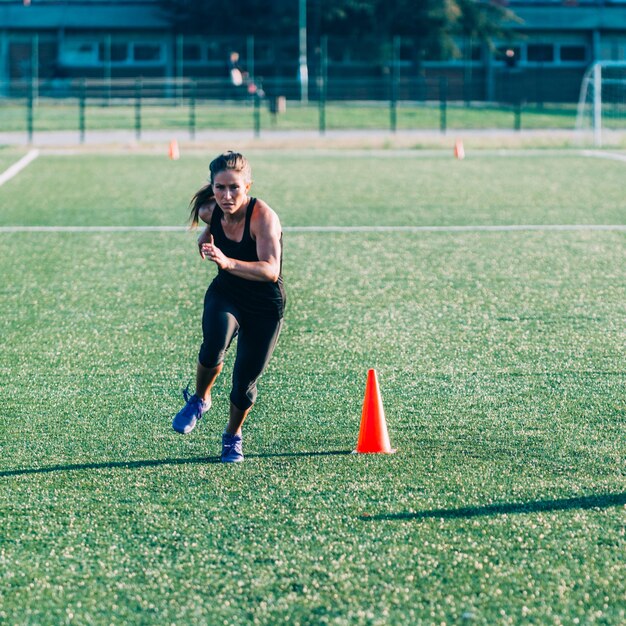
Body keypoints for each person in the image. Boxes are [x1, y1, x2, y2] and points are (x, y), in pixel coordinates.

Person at [172, 151, 286, 463]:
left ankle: (233, 435)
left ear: (247, 186)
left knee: (243, 384)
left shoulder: (263, 217)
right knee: (213, 344)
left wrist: (226, 260)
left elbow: (270, 270)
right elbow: (211, 227)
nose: (226, 195)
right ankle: (199, 399)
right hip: (227, 293)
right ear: (212, 188)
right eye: (220, 188)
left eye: (234, 188)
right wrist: (205, 235)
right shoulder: (211, 210)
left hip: (264, 304)